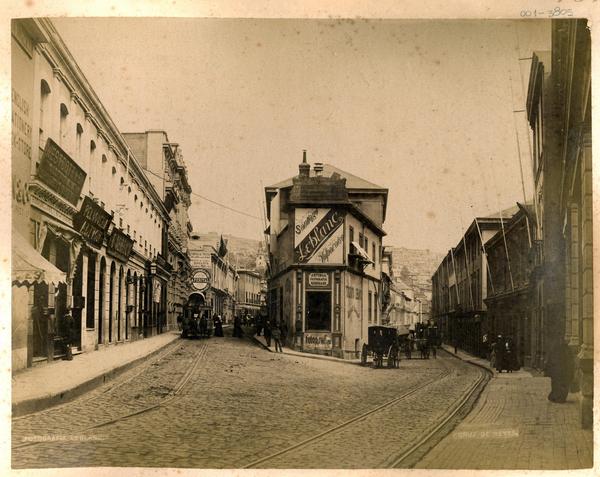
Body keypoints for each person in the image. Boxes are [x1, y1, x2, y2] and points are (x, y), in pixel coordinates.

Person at [545, 339, 574, 403]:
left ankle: (559, 397)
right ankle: (559, 397)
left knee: (559, 383)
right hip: (559, 369)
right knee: (558, 383)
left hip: (561, 369)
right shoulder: (559, 349)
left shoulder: (565, 350)